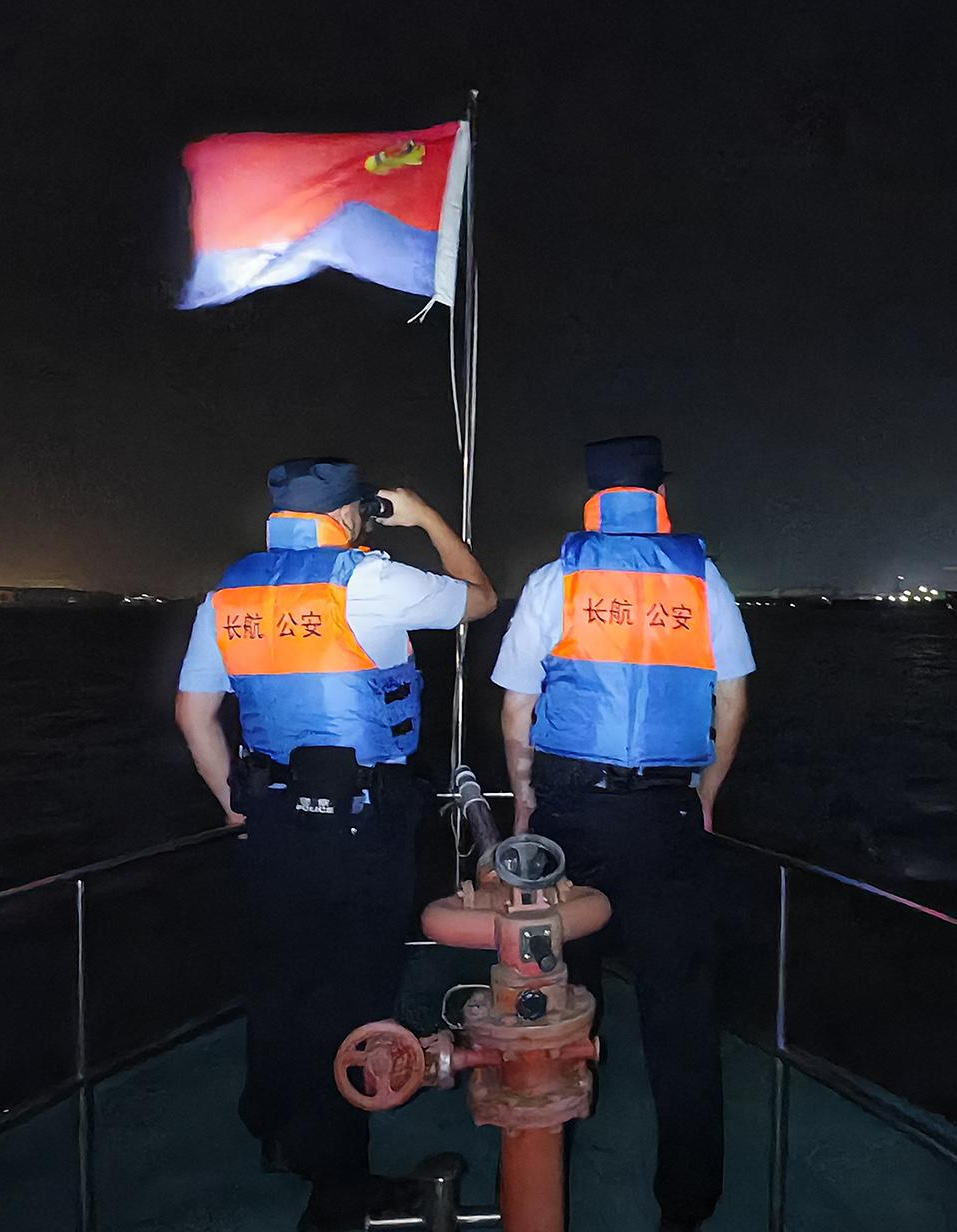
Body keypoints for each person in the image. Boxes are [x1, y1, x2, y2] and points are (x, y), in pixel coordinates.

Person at [175, 458, 495, 1232]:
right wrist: (425, 517)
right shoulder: (370, 580)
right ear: (351, 515)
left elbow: (193, 714)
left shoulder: (229, 592)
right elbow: (480, 598)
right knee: (351, 999)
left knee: (281, 983)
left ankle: (278, 1132)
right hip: (358, 828)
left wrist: (237, 809)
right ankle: (339, 1191)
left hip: (273, 823)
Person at [491, 435, 753, 1232]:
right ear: (657, 497)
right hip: (666, 816)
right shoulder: (703, 579)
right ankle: (686, 1206)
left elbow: (516, 708)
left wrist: (527, 807)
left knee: (554, 999)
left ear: (595, 499)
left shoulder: (555, 579)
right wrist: (705, 795)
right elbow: (732, 701)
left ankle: (548, 1170)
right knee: (681, 1014)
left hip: (570, 817)